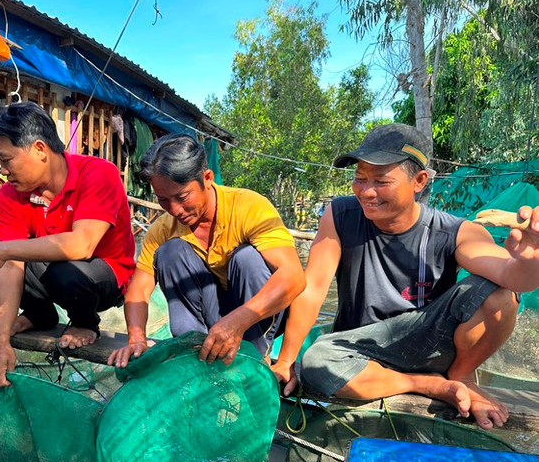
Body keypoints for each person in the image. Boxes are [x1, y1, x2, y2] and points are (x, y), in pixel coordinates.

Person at [274, 123, 539, 430]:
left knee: (499, 292)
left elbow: (513, 277)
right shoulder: (340, 214)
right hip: (358, 350)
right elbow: (314, 288)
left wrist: (529, 263)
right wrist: (286, 360)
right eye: (359, 179)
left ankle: (462, 377)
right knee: (316, 361)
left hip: (426, 344)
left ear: (420, 181)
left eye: (381, 181)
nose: (366, 191)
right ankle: (429, 385)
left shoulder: (455, 231)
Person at [0, 101, 136, 388]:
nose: (2, 171)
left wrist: (1, 250)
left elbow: (82, 245)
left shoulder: (98, 173)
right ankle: (40, 313)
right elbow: (10, 267)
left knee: (62, 271)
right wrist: (0, 341)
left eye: (6, 160)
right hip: (52, 270)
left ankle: (84, 322)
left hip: (102, 278)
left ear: (40, 149)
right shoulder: (11, 194)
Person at [108, 134, 306, 368]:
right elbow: (139, 290)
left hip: (255, 317)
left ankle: (255, 354)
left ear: (207, 178)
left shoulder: (249, 207)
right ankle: (195, 352)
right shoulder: (163, 229)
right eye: (163, 200)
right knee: (170, 252)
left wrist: (236, 322)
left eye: (182, 197)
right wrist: (137, 338)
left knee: (247, 259)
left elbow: (293, 277)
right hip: (213, 316)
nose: (174, 210)